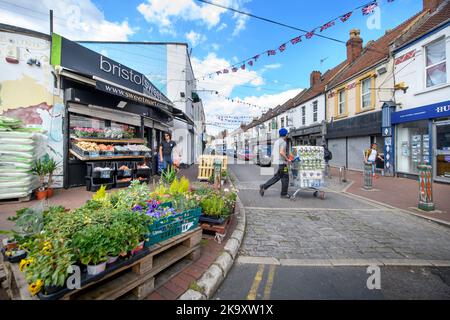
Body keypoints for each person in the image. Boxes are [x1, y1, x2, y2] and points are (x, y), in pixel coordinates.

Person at [259, 128, 291, 199]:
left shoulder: (277, 141)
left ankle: (264, 186)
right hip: (281, 163)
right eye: (287, 134)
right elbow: (281, 152)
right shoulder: (283, 142)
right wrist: (287, 159)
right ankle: (284, 194)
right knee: (285, 178)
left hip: (276, 163)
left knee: (277, 177)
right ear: (286, 134)